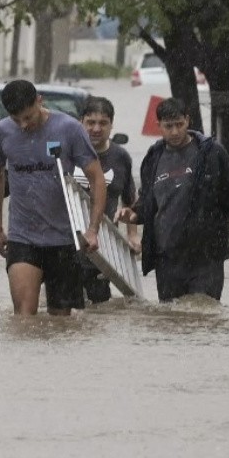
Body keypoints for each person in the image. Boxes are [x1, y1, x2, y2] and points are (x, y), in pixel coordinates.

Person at [0, 80, 107, 316]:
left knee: (60, 323)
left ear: (39, 100)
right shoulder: (1, 133)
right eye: (16, 119)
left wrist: (93, 228)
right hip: (23, 237)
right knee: (23, 316)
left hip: (63, 239)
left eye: (28, 117)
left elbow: (97, 179)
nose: (23, 125)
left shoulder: (69, 129)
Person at [117, 97, 229, 302]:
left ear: (188, 121)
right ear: (159, 126)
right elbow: (149, 200)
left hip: (206, 257)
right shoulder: (153, 157)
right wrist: (135, 213)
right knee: (171, 319)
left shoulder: (211, 153)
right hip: (167, 257)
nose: (174, 132)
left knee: (203, 315)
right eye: (168, 126)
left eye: (179, 125)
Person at [74, 96, 140, 303]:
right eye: (90, 123)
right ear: (80, 122)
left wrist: (132, 236)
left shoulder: (121, 157)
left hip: (101, 252)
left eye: (103, 123)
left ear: (112, 125)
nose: (96, 129)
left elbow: (129, 201)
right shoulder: (67, 154)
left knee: (99, 312)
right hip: (64, 248)